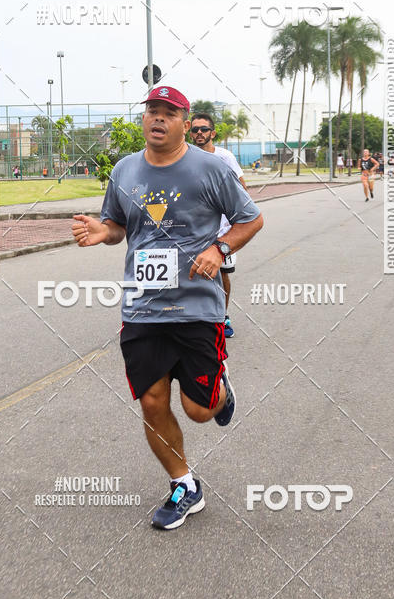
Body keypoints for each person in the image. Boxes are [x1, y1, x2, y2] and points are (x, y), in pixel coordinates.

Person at [72, 86, 263, 531]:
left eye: (167, 113)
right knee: (153, 401)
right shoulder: (124, 170)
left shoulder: (211, 169)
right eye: (151, 112)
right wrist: (103, 232)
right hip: (143, 308)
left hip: (197, 306)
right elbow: (118, 225)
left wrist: (219, 249)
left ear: (184, 120)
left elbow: (251, 218)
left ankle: (220, 388)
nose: (157, 119)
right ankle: (184, 485)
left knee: (199, 410)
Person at [189, 112, 247, 338]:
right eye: (195, 129)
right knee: (193, 272)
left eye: (204, 129)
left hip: (223, 231)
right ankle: (194, 319)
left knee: (222, 274)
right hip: (195, 229)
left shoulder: (225, 157)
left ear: (212, 133)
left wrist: (237, 224)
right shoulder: (185, 156)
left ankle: (223, 317)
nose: (199, 133)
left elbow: (242, 189)